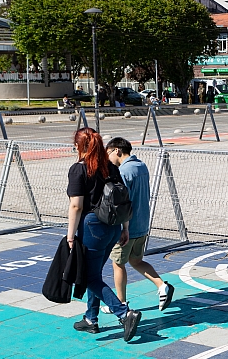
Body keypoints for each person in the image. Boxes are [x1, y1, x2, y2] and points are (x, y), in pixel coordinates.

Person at [66, 128, 142, 341]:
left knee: (89, 277)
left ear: (79, 147)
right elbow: (122, 199)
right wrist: (125, 228)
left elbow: (76, 206)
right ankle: (91, 318)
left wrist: (70, 236)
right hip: (113, 226)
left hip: (91, 227)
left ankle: (124, 313)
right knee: (95, 273)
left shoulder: (79, 169)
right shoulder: (110, 167)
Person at [103, 138, 175, 314]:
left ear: (117, 150)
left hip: (127, 226)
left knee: (118, 264)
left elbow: (121, 201)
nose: (107, 158)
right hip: (142, 223)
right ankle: (161, 286)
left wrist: (121, 228)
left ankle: (120, 304)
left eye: (108, 153)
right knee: (136, 260)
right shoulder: (141, 166)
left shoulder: (124, 171)